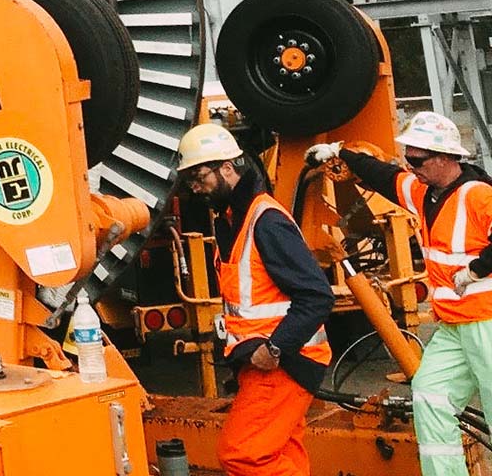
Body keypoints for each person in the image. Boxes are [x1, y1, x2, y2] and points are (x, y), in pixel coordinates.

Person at [307, 110, 492, 476]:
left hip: (486, 322)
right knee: (429, 394)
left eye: (418, 160)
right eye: (410, 158)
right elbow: (385, 177)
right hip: (455, 326)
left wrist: (475, 270)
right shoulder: (425, 193)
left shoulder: (479, 195)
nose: (412, 166)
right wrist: (339, 151)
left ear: (445, 157)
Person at [176, 123, 334, 476]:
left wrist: (275, 349)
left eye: (199, 176)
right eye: (189, 181)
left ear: (228, 168)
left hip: (281, 362)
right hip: (265, 360)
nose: (195, 187)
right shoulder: (236, 219)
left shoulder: (265, 221)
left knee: (243, 454)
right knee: (282, 454)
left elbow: (317, 294)